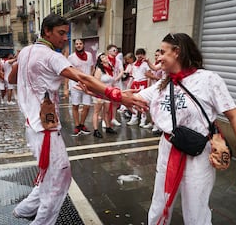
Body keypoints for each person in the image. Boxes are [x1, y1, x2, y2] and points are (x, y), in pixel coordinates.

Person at [11, 14, 147, 225]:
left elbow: (11, 77)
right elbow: (83, 77)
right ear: (47, 31)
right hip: (44, 128)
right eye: (61, 33)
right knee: (59, 178)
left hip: (33, 125)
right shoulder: (52, 56)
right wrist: (117, 95)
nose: (65, 38)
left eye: (66, 33)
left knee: (50, 174)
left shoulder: (25, 52)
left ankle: (24, 209)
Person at [135, 33, 236, 224]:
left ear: (177, 52)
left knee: (196, 212)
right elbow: (134, 97)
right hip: (168, 150)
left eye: (162, 52)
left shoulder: (209, 80)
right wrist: (100, 90)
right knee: (159, 204)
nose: (157, 57)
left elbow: (234, 116)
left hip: (198, 154)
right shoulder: (164, 83)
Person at [66, 39, 93, 136]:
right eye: (76, 44)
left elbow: (91, 68)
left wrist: (91, 80)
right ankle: (77, 126)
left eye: (80, 43)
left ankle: (82, 124)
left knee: (87, 106)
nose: (78, 45)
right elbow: (67, 72)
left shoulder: (89, 55)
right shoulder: (71, 57)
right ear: (75, 46)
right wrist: (66, 87)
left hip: (87, 85)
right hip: (75, 85)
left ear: (83, 44)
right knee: (75, 105)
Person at [92, 53, 118, 138]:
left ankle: (108, 127)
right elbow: (96, 82)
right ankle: (96, 130)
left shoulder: (110, 68)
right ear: (100, 61)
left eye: (105, 56)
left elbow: (112, 82)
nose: (105, 57)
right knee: (97, 111)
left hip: (108, 93)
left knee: (107, 111)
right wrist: (98, 94)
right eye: (102, 57)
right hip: (100, 93)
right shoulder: (99, 69)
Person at [127, 48, 151, 127]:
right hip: (135, 84)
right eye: (138, 54)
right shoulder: (133, 64)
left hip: (143, 83)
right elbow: (133, 76)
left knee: (142, 102)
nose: (139, 56)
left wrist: (148, 86)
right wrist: (130, 86)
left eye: (141, 54)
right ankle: (134, 118)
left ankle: (143, 120)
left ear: (144, 55)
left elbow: (149, 76)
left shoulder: (146, 64)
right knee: (134, 101)